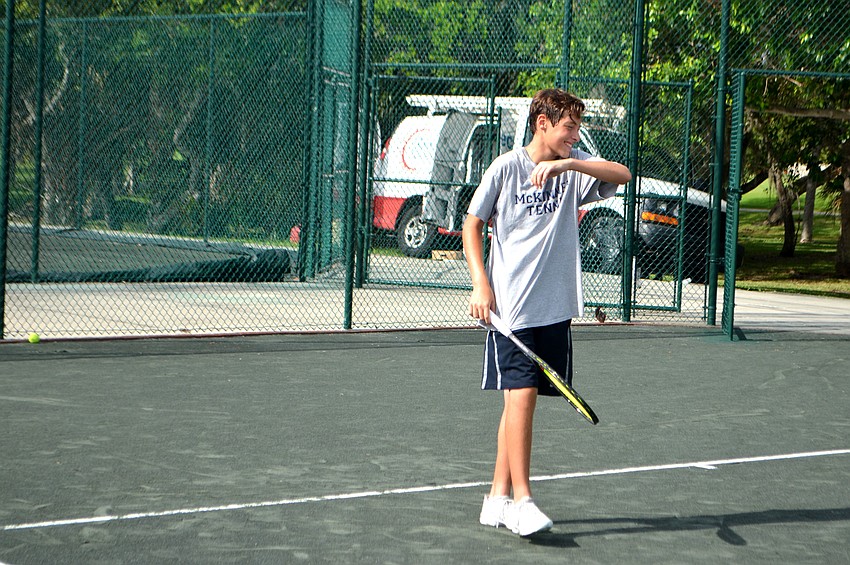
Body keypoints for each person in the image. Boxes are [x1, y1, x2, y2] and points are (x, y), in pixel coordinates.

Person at [462, 88, 631, 537]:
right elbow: (472, 225)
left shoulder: (572, 173)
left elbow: (625, 174)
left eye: (576, 128)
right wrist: (481, 284)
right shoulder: (506, 167)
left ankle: (495, 498)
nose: (575, 136)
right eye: (569, 128)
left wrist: (569, 164)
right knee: (523, 397)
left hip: (554, 309)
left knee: (517, 403)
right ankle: (522, 502)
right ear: (542, 123)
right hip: (511, 310)